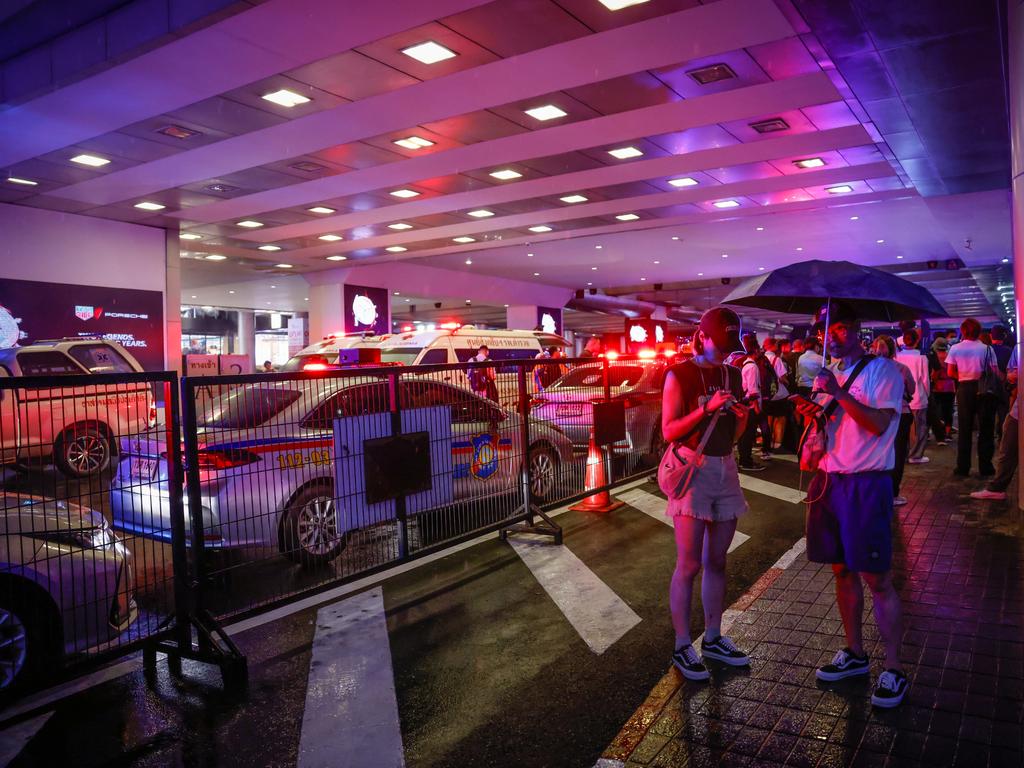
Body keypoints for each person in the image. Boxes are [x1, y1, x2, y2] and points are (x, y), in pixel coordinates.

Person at [793, 301, 908, 708]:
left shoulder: (883, 371)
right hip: (830, 481)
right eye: (827, 329)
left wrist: (838, 393)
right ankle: (855, 654)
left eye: (840, 328)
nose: (833, 336)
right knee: (841, 571)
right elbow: (827, 430)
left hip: (867, 484)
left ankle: (893, 668)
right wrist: (813, 417)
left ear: (858, 329)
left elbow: (878, 424)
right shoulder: (830, 376)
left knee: (877, 578)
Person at [661, 307, 752, 680]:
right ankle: (683, 643)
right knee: (689, 564)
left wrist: (742, 417)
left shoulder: (733, 373)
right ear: (704, 336)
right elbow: (669, 429)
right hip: (692, 470)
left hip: (725, 468)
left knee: (717, 561)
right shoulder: (679, 373)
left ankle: (713, 636)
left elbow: (733, 435)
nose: (729, 350)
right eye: (724, 342)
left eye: (734, 342)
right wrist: (707, 409)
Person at [947, 318, 1000, 477]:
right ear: (979, 331)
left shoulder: (955, 348)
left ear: (963, 331)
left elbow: (950, 373)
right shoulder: (987, 349)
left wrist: (963, 376)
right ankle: (986, 467)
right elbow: (995, 372)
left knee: (965, 428)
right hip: (984, 389)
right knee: (986, 428)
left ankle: (963, 467)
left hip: (964, 388)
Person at [873, 335, 915, 507]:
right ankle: (893, 493)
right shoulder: (902, 368)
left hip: (875, 414)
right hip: (901, 412)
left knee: (877, 452)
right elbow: (911, 389)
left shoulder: (870, 368)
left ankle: (876, 493)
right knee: (897, 454)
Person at [972, 347, 1019, 501]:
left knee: (1007, 446)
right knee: (1006, 442)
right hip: (1015, 405)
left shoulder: (1017, 348)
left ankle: (997, 487)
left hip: (1014, 406)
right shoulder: (1015, 348)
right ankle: (997, 486)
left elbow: (1010, 374)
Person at [896, 329, 931, 466]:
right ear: (917, 341)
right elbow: (925, 380)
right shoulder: (921, 357)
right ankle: (915, 455)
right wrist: (927, 395)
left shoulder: (897, 356)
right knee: (919, 428)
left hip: (901, 398)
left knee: (903, 429)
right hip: (918, 397)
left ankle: (903, 455)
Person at [736, 334, 767, 472]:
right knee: (748, 434)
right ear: (755, 350)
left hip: (745, 404)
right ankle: (746, 461)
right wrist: (756, 408)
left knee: (744, 434)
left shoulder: (745, 364)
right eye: (759, 349)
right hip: (750, 406)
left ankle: (744, 459)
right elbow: (753, 390)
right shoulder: (752, 367)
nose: (761, 351)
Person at [763, 337, 794, 451]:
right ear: (774, 345)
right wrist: (788, 382)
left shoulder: (761, 358)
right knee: (780, 418)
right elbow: (782, 378)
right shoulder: (776, 359)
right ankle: (777, 443)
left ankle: (767, 442)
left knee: (769, 418)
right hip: (779, 394)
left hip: (766, 394)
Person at [930, 337, 956, 443]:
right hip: (950, 385)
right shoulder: (950, 356)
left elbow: (934, 373)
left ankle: (940, 433)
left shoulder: (934, 357)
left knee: (937, 411)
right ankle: (948, 433)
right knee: (948, 410)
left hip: (937, 386)